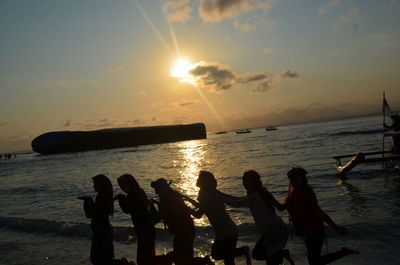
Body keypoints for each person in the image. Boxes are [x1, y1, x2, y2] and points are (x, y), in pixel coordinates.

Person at [213, 170, 293, 265]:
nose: (244, 184)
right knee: (264, 255)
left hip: (272, 230)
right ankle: (282, 254)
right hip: (277, 227)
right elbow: (281, 208)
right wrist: (219, 194)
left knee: (261, 255)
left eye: (246, 181)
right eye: (243, 181)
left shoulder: (254, 197)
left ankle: (281, 254)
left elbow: (235, 203)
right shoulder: (262, 192)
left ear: (253, 182)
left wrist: (218, 195)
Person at [281, 168, 358, 265]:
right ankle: (343, 252)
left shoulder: (307, 192)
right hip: (306, 231)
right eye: (291, 180)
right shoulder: (294, 193)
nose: (293, 182)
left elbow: (319, 212)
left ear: (303, 179)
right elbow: (282, 207)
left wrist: (336, 228)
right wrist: (263, 194)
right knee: (314, 261)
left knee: (314, 262)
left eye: (296, 179)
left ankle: (343, 252)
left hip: (315, 230)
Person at [190, 171, 251, 265]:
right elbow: (204, 207)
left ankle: (243, 250)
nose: (197, 179)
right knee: (228, 259)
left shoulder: (205, 195)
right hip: (227, 229)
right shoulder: (211, 192)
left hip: (225, 231)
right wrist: (189, 200)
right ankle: (243, 250)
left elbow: (198, 214)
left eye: (199, 178)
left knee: (217, 255)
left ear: (203, 181)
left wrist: (185, 208)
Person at [150, 178, 213, 265]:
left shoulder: (166, 200)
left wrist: (151, 206)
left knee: (181, 260)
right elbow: (177, 210)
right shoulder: (174, 196)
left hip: (183, 232)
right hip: (187, 230)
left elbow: (156, 218)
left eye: (157, 189)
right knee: (185, 259)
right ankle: (204, 261)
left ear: (162, 189)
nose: (156, 192)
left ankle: (204, 261)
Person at [115, 174, 157, 265]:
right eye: (120, 186)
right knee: (149, 257)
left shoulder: (131, 195)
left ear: (129, 183)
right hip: (148, 228)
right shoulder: (140, 191)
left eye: (123, 185)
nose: (122, 188)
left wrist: (121, 200)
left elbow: (128, 210)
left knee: (143, 259)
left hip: (143, 230)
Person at [79, 174, 115, 265]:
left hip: (101, 231)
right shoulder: (106, 195)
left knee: (97, 259)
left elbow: (93, 214)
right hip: (104, 229)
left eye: (95, 184)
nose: (93, 186)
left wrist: (88, 201)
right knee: (104, 258)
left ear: (100, 185)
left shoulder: (101, 197)